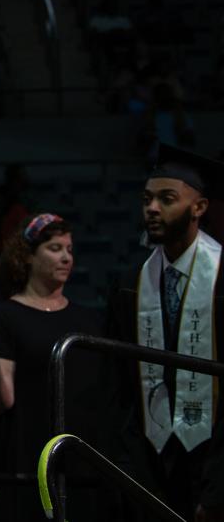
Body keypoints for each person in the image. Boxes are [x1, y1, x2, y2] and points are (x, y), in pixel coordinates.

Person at [106, 144, 224, 522]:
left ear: (199, 208)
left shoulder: (222, 277)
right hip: (152, 465)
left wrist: (218, 487)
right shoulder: (130, 286)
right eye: (147, 199)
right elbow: (122, 386)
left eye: (166, 199)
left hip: (215, 460)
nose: (152, 208)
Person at [0, 213, 107, 522]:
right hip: (30, 461)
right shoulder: (3, 318)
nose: (66, 257)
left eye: (69, 249)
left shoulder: (91, 321)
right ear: (28, 256)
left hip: (85, 463)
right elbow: (0, 401)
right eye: (55, 248)